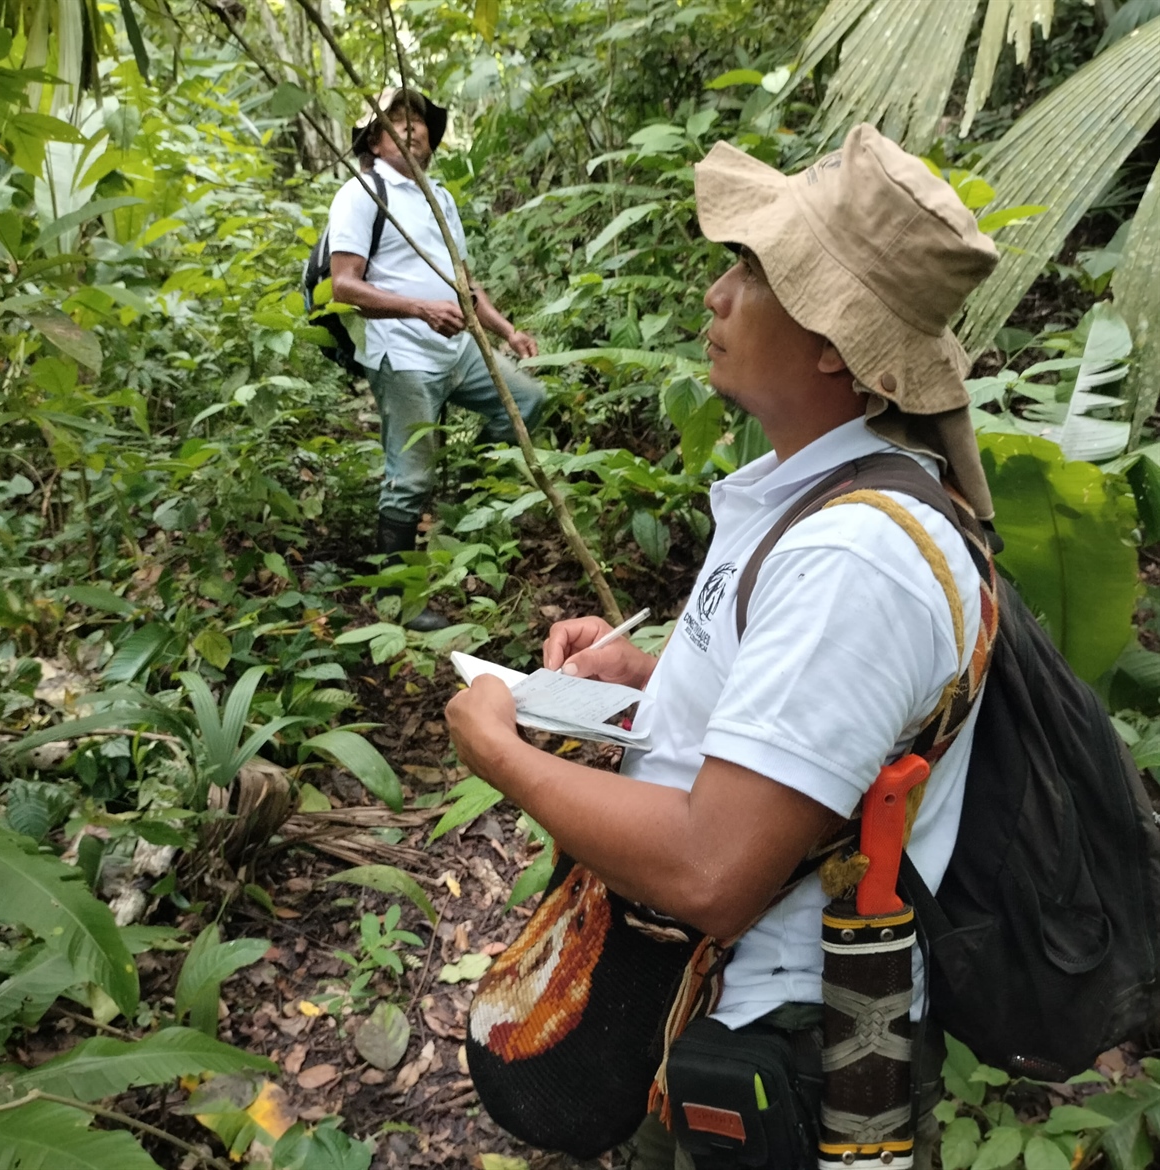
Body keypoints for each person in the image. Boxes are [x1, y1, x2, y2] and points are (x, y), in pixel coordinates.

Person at [445, 123, 1001, 1168]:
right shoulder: (823, 498)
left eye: (751, 268)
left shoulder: (856, 558)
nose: (716, 292)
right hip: (703, 1002)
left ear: (834, 342)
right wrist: (646, 681)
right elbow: (816, 719)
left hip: (768, 1033)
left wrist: (503, 756)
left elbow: (712, 867)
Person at [327, 87, 546, 631]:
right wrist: (418, 308)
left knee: (526, 400)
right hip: (403, 356)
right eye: (396, 119)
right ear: (374, 140)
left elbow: (466, 283)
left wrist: (507, 330)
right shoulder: (362, 195)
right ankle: (402, 601)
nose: (412, 127)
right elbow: (344, 287)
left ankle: (469, 518)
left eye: (417, 118)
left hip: (460, 347)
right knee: (410, 477)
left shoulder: (440, 199)